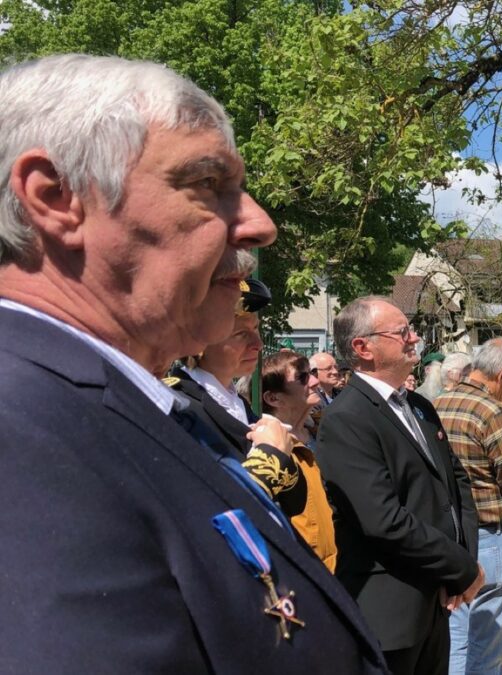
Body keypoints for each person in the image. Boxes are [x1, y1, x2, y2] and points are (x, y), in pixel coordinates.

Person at [0, 54, 385, 671]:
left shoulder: (130, 406)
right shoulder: (20, 431)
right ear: (55, 197)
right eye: (207, 183)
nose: (260, 224)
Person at [317, 296, 483, 674]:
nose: (415, 338)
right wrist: (460, 567)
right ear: (363, 348)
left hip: (437, 602)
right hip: (389, 612)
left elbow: (456, 487)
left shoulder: (420, 408)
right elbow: (382, 519)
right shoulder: (346, 419)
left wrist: (462, 562)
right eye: (402, 331)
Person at [434, 338, 502, 675]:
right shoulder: (493, 411)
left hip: (450, 537)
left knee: (455, 641)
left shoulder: (436, 405)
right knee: (490, 648)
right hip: (492, 538)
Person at [169, 277, 270, 455]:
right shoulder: (177, 407)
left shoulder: (235, 401)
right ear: (198, 340)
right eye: (240, 334)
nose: (258, 344)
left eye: (256, 328)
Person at [260, 350, 338, 570]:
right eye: (302, 378)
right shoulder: (268, 444)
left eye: (312, 373)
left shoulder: (310, 432)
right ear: (273, 398)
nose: (314, 382)